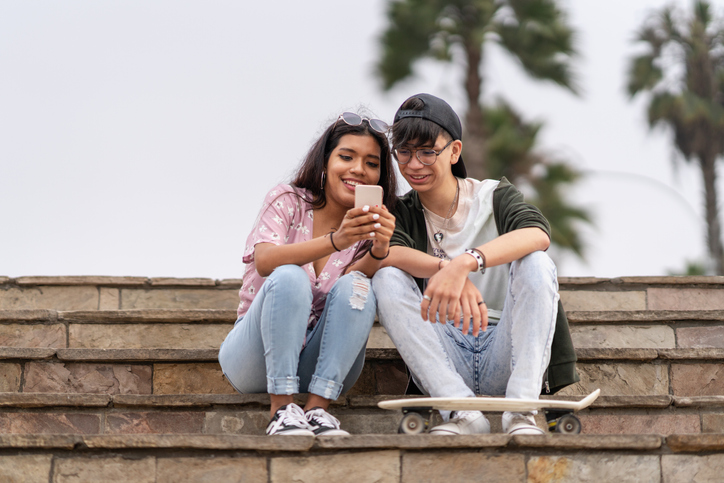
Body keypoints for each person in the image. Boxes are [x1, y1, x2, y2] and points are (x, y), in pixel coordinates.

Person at [372, 93, 578, 435]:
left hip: (505, 350)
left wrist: (466, 262)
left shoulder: (494, 196)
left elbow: (537, 233)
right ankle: (461, 414)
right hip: (445, 356)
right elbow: (387, 254)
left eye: (427, 151)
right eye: (404, 152)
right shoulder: (402, 210)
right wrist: (443, 269)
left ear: (454, 151)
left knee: (537, 264)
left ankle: (522, 413)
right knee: (387, 278)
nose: (413, 163)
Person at [219, 111, 397, 436]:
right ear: (326, 161)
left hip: (318, 363)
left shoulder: (368, 229)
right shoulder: (288, 201)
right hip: (255, 358)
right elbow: (265, 260)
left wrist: (379, 249)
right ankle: (282, 409)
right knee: (289, 276)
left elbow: (351, 293)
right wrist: (336, 241)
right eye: (347, 156)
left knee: (358, 286)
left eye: (372, 163)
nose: (359, 169)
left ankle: (318, 410)